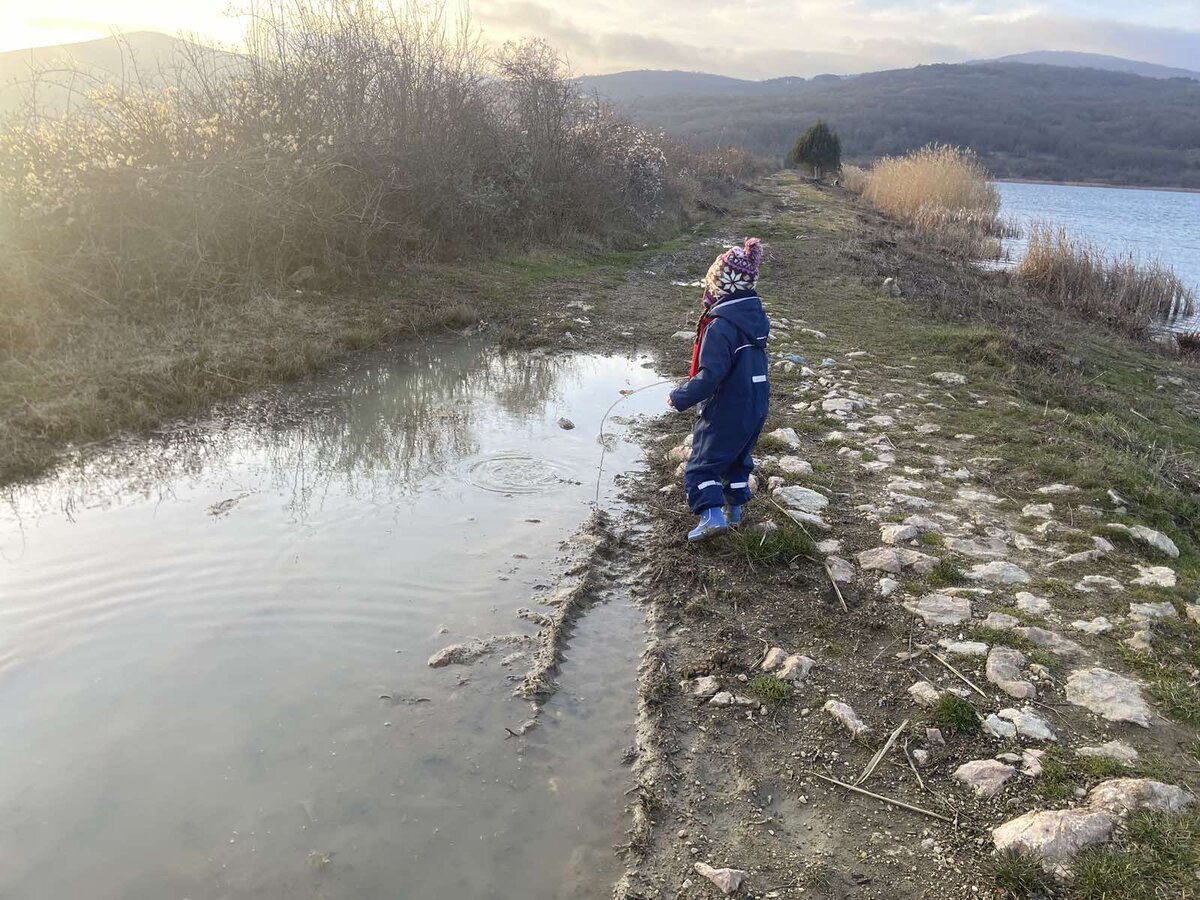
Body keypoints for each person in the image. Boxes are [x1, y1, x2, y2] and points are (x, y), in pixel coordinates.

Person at [668, 237, 771, 542]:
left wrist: (680, 396)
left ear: (720, 287)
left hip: (727, 407)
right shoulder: (753, 321)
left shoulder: (720, 326)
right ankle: (735, 513)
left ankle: (712, 517)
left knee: (703, 465)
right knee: (738, 459)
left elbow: (711, 376)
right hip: (756, 405)